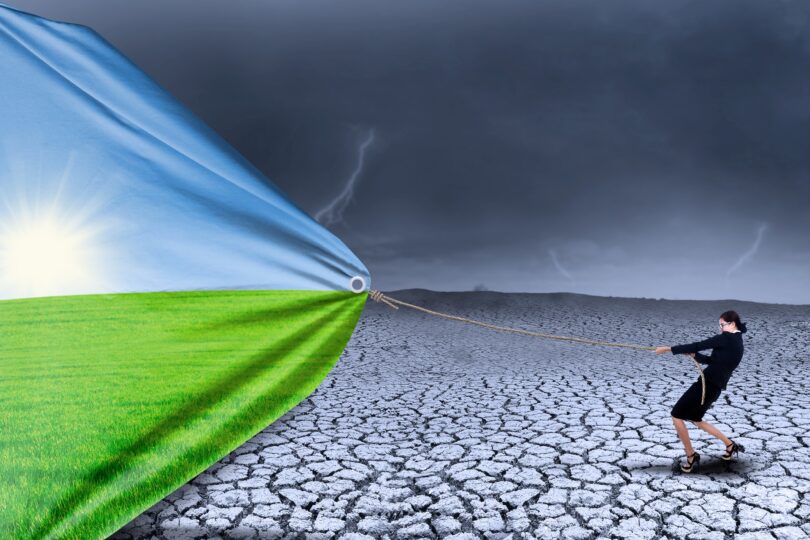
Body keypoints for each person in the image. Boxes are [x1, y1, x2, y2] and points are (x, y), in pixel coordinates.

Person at [654, 310, 747, 473]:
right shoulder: (738, 342)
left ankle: (690, 455)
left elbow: (699, 344)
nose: (720, 328)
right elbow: (713, 361)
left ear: (732, 324)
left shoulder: (727, 338)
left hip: (707, 385)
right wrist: (695, 355)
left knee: (676, 415)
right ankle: (730, 445)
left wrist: (668, 349)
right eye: (719, 325)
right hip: (714, 387)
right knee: (696, 419)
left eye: (723, 325)